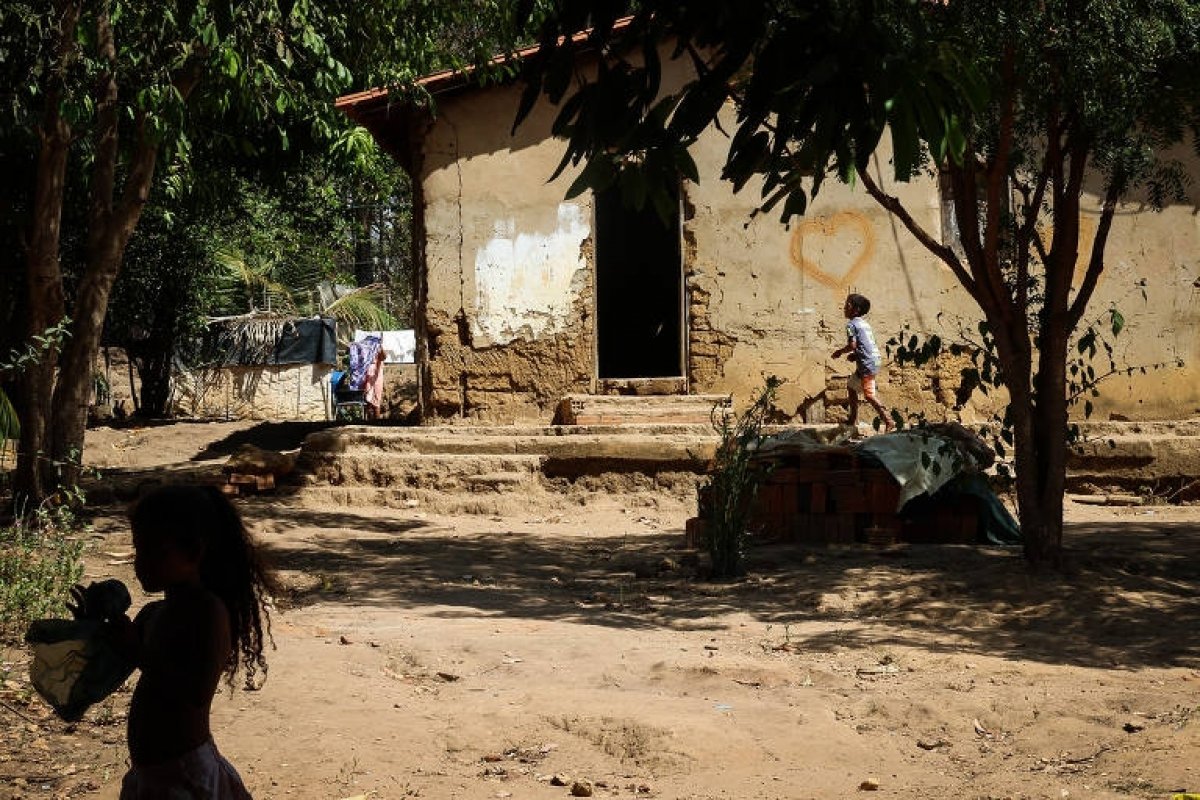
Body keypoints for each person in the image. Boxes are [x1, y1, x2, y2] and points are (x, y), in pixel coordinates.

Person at [109, 485, 274, 799]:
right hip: (153, 775)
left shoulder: (208, 613)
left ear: (195, 552)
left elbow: (196, 691)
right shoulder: (154, 613)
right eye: (138, 549)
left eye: (155, 552)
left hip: (184, 775)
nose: (141, 563)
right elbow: (116, 661)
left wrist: (136, 651)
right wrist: (96, 625)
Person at [831, 293, 892, 433]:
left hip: (867, 363)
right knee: (852, 386)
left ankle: (889, 420)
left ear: (856, 309)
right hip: (873, 359)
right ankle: (852, 419)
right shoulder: (865, 324)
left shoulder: (851, 324)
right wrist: (856, 355)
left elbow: (852, 345)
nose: (844, 308)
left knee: (869, 395)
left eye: (847, 305)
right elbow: (866, 344)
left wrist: (840, 352)